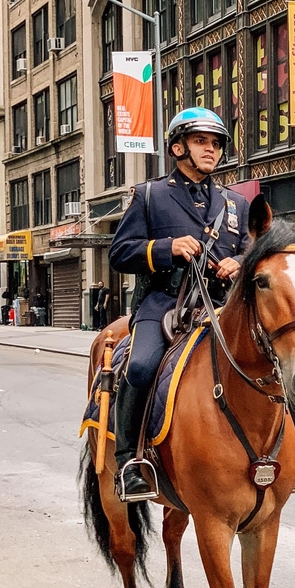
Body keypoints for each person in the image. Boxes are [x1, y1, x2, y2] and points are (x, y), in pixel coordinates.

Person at [109, 107, 250, 501]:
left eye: (216, 143)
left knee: (276, 362)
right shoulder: (150, 195)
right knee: (140, 366)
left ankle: (288, 459)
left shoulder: (235, 203)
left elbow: (251, 247)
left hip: (222, 305)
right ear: (177, 147)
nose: (211, 149)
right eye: (201, 141)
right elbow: (119, 253)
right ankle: (129, 462)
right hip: (165, 302)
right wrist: (166, 248)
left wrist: (238, 262)